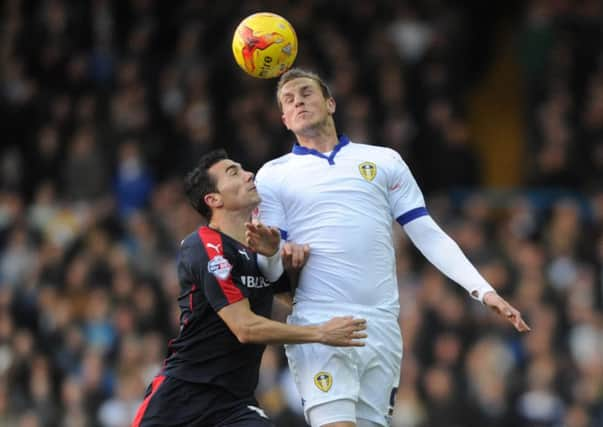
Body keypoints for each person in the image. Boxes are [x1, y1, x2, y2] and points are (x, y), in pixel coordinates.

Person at [251, 68, 531, 427]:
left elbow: (426, 231)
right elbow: (269, 271)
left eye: (306, 92)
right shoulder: (273, 174)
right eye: (289, 100)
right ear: (284, 119)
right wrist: (276, 253)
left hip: (381, 325)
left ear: (330, 103)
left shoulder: (384, 160)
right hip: (321, 320)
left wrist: (483, 290)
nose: (299, 101)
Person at [131, 149, 367, 427]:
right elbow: (245, 328)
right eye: (234, 172)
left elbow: (292, 304)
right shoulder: (205, 245)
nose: (249, 174)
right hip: (180, 401)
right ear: (214, 199)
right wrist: (320, 333)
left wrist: (278, 260)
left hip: (233, 405)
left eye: (243, 169)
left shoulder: (259, 249)